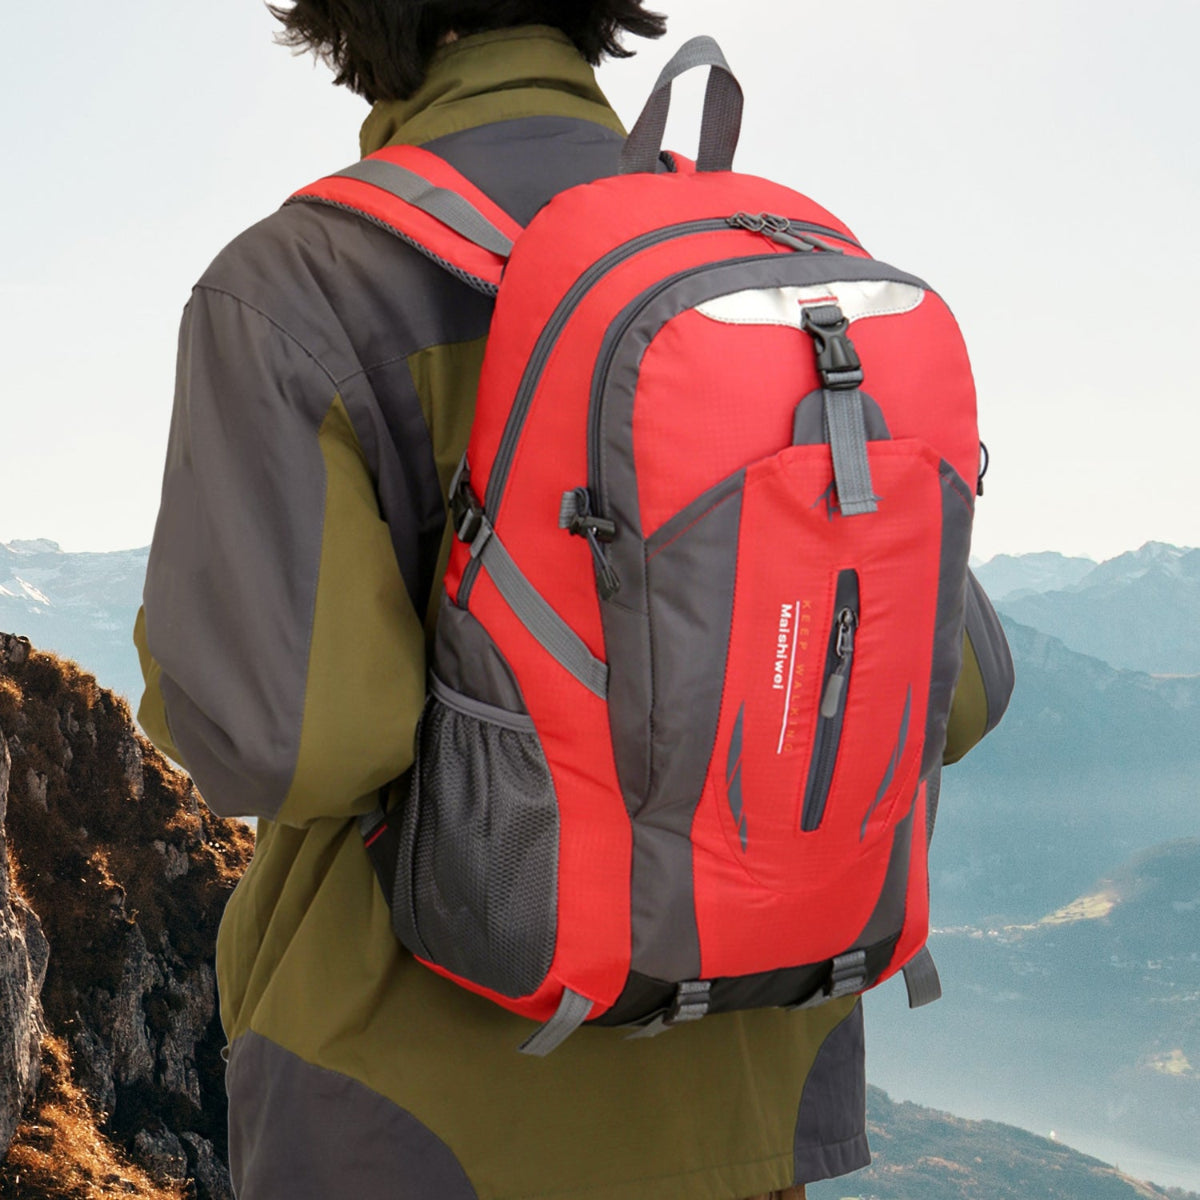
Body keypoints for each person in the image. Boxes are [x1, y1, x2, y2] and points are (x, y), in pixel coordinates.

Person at [134, 3, 1011, 1198]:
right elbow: (954, 696)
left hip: (415, 1119)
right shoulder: (775, 271)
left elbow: (291, 745)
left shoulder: (298, 290)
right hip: (740, 1095)